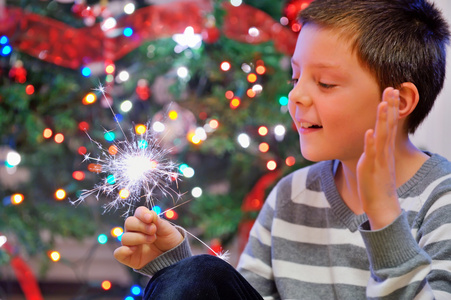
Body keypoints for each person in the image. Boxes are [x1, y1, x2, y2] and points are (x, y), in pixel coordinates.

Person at [114, 0, 451, 298]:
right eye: (295, 78)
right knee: (201, 273)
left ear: (400, 101)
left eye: (325, 83)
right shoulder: (290, 195)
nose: (296, 96)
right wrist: (177, 271)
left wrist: (385, 217)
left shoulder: (441, 199)